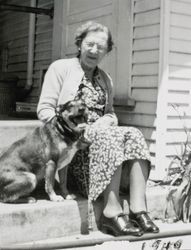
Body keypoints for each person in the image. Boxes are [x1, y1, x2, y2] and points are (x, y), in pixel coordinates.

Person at [37, 21, 159, 237]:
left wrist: (108, 120)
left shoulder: (105, 78)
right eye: (90, 44)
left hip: (102, 147)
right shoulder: (60, 68)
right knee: (108, 135)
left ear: (106, 51)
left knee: (134, 133)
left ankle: (139, 208)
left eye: (100, 47)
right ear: (79, 43)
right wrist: (74, 132)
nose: (94, 50)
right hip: (73, 153)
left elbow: (110, 112)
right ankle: (111, 211)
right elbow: (44, 110)